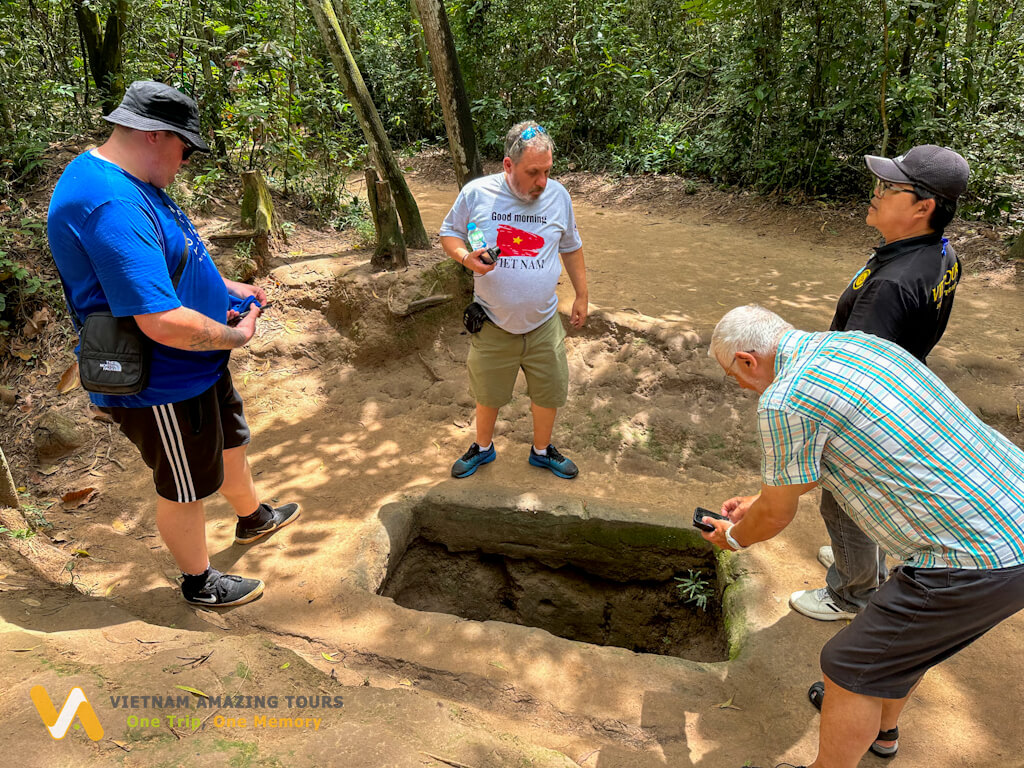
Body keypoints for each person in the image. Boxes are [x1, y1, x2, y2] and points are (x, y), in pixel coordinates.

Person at [705, 304, 1024, 768]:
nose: (738, 385)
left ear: (749, 360)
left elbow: (776, 517)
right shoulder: (860, 346)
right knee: (899, 652)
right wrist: (759, 500)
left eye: (733, 374)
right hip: (1009, 509)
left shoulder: (785, 398)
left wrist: (735, 537)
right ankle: (882, 732)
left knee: (848, 666)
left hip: (974, 558)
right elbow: (850, 444)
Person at [47, 81, 300, 607]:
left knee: (229, 441)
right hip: (161, 378)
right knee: (184, 483)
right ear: (155, 135)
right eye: (185, 148)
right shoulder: (111, 202)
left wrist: (225, 287)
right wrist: (238, 334)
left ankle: (252, 517)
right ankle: (199, 583)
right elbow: (160, 320)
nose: (186, 160)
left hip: (196, 364)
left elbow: (166, 259)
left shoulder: (128, 176)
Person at [792, 144, 970, 623]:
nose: (875, 193)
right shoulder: (939, 254)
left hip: (868, 410)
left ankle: (853, 591)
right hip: (904, 386)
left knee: (844, 500)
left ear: (923, 206)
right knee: (868, 500)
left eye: (890, 188)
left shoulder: (892, 285)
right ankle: (863, 564)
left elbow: (853, 375)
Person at [439, 121, 588, 479]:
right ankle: (483, 447)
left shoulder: (558, 196)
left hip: (544, 321)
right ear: (508, 166)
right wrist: (465, 258)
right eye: (532, 172)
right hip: (492, 319)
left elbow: (570, 246)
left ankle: (541, 451)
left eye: (547, 171)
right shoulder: (477, 194)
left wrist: (582, 294)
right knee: (488, 391)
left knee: (548, 391)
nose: (542, 181)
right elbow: (449, 233)